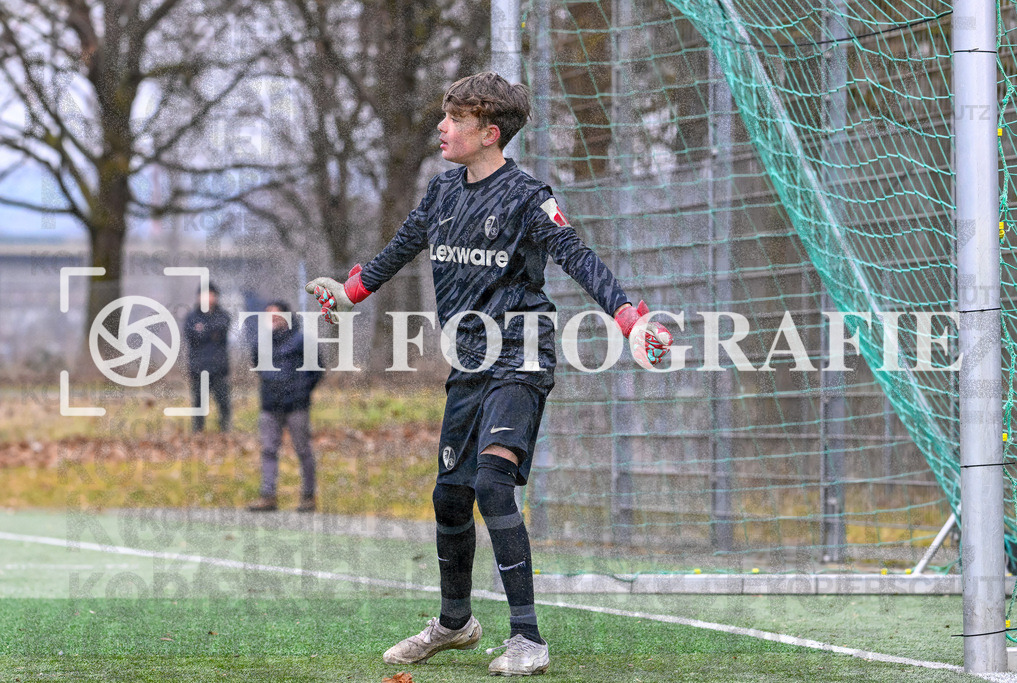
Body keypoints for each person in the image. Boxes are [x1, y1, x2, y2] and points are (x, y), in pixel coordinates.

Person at [306, 71, 670, 676]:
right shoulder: (443, 193)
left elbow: (576, 254)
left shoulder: (528, 196)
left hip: (522, 355)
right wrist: (349, 293)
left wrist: (629, 318)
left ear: (489, 132)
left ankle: (528, 639)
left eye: (455, 119)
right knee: (450, 495)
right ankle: (455, 624)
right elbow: (400, 247)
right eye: (444, 116)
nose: (442, 127)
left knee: (494, 485)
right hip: (470, 362)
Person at [247, 301, 324, 513]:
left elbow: (317, 369)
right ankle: (267, 496)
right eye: (268, 315)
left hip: (296, 405)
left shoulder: (301, 341)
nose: (272, 318)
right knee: (268, 450)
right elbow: (258, 367)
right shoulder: (260, 343)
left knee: (303, 450)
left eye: (275, 314)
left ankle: (308, 497)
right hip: (270, 405)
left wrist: (301, 391)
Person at [183, 282, 232, 433]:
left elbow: (221, 328)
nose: (208, 298)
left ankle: (225, 431)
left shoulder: (223, 315)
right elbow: (192, 336)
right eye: (204, 295)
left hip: (219, 368)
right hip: (198, 368)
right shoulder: (191, 317)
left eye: (211, 295)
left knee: (223, 402)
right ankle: (198, 432)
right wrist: (210, 332)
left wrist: (203, 329)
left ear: (216, 297)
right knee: (198, 404)